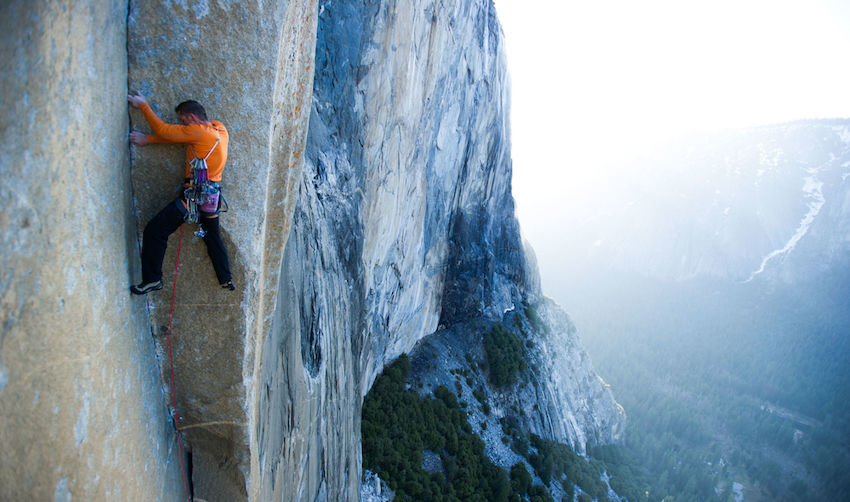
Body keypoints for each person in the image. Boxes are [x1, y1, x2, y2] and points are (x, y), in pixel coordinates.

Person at [127, 92, 235, 294]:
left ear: (192, 118)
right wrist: (148, 140)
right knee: (212, 236)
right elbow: (178, 137)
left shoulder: (198, 132)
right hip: (212, 197)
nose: (183, 125)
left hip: (194, 195)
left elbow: (166, 131)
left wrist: (143, 106)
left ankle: (152, 280)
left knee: (155, 231)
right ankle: (225, 278)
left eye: (183, 121)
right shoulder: (219, 128)